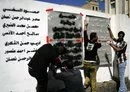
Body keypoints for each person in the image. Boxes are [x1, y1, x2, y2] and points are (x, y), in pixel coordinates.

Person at [83, 17, 101, 92]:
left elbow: (85, 33)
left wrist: (85, 25)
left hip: (85, 62)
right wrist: (98, 41)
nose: (97, 37)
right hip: (92, 63)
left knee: (87, 76)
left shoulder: (87, 41)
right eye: (96, 36)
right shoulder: (96, 44)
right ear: (94, 38)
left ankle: (85, 83)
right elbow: (99, 44)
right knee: (93, 80)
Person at [107, 26, 127, 92]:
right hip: (119, 61)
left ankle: (122, 90)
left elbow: (118, 49)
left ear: (123, 36)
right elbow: (112, 37)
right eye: (119, 36)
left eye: (121, 36)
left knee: (121, 77)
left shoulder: (124, 43)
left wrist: (111, 44)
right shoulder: (118, 41)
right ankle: (124, 89)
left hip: (122, 62)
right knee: (121, 76)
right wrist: (109, 30)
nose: (119, 37)